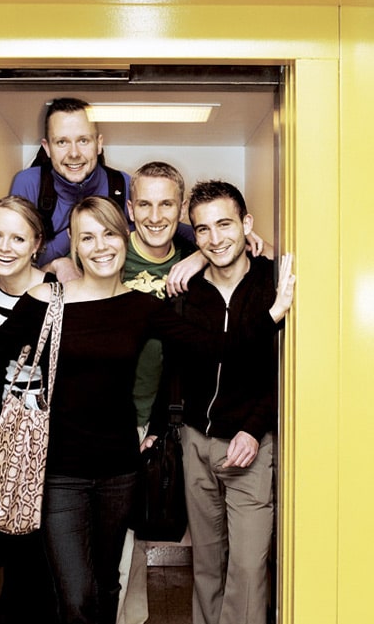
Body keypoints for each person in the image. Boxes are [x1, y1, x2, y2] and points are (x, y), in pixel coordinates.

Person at [0, 196, 293, 624]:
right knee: (77, 594)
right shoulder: (47, 296)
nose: (100, 246)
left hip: (120, 470)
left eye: (108, 234)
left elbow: (215, 347)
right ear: (74, 247)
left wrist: (274, 312)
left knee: (106, 583)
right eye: (87, 237)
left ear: (124, 239)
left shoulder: (142, 308)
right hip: (59, 472)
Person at [148, 180, 295, 624]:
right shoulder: (187, 293)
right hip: (196, 441)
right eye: (203, 230)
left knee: (248, 567)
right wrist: (156, 429)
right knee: (207, 564)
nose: (216, 239)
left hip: (251, 442)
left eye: (225, 225)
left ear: (246, 224)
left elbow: (281, 369)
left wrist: (254, 426)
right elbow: (175, 365)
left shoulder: (274, 282)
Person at [0, 195, 56, 624]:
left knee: (32, 573)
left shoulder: (58, 298)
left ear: (37, 243)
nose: (4, 247)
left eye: (18, 237)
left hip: (38, 452)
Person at [10, 96, 131, 273]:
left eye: (83, 140)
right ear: (47, 148)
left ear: (98, 144)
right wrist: (57, 264)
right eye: (62, 142)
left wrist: (189, 259)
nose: (74, 153)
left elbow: (155, 232)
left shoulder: (120, 184)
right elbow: (15, 257)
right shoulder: (29, 184)